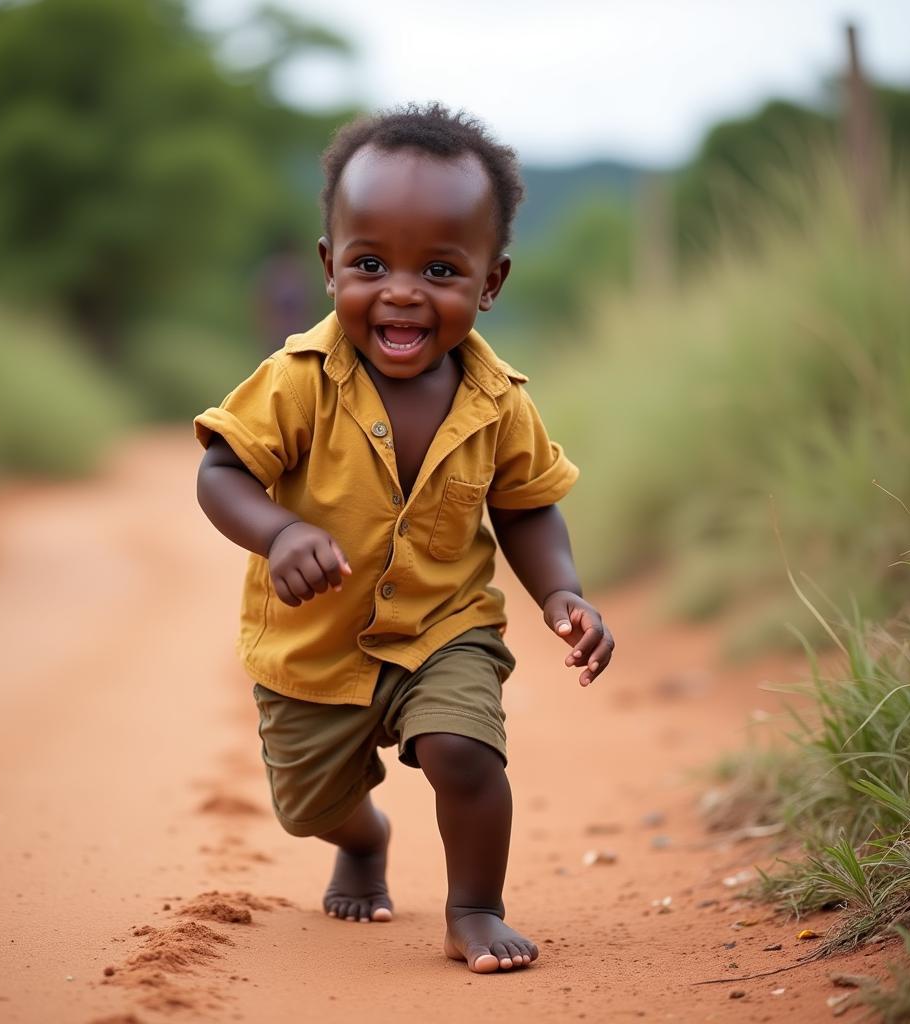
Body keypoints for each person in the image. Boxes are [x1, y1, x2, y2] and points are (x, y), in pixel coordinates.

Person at [194, 103, 614, 975]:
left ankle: (474, 910)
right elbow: (222, 473)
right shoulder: (296, 380)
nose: (401, 291)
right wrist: (278, 532)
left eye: (440, 269)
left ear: (490, 282)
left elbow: (528, 506)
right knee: (311, 807)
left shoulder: (501, 402)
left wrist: (562, 591)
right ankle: (364, 837)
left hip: (443, 629)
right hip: (314, 645)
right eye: (371, 263)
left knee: (464, 750)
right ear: (329, 265)